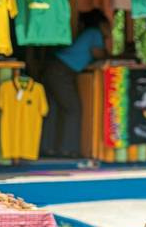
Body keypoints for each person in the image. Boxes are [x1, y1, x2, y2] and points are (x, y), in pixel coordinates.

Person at [40, 9, 110, 158]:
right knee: (73, 109)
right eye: (108, 26)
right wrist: (111, 54)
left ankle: (47, 148)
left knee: (54, 110)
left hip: (53, 68)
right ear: (102, 24)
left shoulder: (89, 33)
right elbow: (97, 53)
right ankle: (68, 150)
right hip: (61, 73)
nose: (109, 30)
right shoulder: (94, 33)